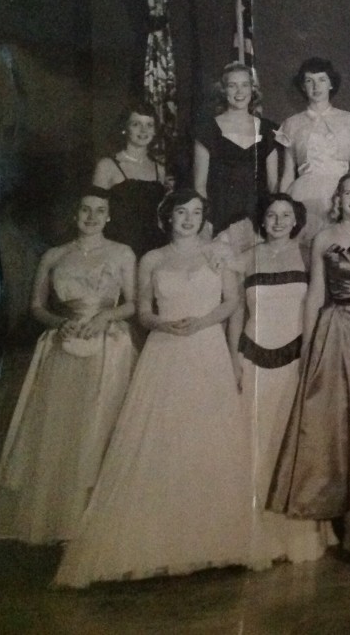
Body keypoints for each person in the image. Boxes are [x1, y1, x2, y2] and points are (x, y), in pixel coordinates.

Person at [55, 190, 257, 586]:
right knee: (161, 438)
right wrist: (162, 324)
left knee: (205, 438)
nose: (189, 220)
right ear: (168, 217)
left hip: (206, 347)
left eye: (197, 213)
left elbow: (231, 302)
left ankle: (213, 542)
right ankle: (157, 541)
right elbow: (143, 311)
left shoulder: (218, 254)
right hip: (164, 351)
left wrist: (201, 323)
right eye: (182, 213)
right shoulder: (152, 259)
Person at [0, 189, 136, 544]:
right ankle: (56, 521)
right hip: (62, 343)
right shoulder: (55, 256)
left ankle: (92, 522)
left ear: (109, 216)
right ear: (75, 214)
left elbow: (134, 304)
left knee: (96, 424)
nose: (92, 216)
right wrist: (58, 323)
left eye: (100, 211)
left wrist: (104, 317)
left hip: (106, 344)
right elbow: (37, 306)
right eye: (85, 209)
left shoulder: (122, 253)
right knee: (59, 427)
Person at [268, 173, 350, 554]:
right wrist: (309, 345)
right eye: (348, 193)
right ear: (338, 198)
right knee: (337, 419)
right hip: (335, 329)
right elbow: (314, 296)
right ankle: (342, 513)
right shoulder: (324, 238)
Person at [228, 194, 325, 565]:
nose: (279, 221)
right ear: (262, 220)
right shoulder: (247, 257)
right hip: (254, 356)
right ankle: (254, 535)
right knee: (254, 440)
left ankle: (295, 534)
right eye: (271, 215)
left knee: (288, 441)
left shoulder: (306, 255)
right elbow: (237, 310)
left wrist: (311, 352)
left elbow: (315, 307)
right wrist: (235, 354)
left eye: (286, 215)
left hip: (295, 358)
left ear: (296, 221)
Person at [277, 57, 350, 252]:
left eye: (322, 80)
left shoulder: (349, 120)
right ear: (303, 87)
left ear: (331, 83)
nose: (316, 86)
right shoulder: (292, 124)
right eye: (309, 81)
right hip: (304, 195)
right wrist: (281, 206)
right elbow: (288, 174)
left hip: (341, 195)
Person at [194, 62, 281, 252]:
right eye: (232, 85)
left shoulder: (268, 130)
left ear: (252, 89)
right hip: (220, 212)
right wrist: (204, 222)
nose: (239, 91)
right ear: (223, 90)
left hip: (257, 214)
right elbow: (199, 185)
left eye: (244, 85)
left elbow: (273, 185)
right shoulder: (207, 130)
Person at [92, 107, 168, 260]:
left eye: (149, 125)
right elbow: (94, 211)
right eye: (136, 124)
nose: (143, 130)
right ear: (125, 129)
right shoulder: (107, 165)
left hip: (152, 247)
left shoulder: (159, 169)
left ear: (154, 131)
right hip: (118, 246)